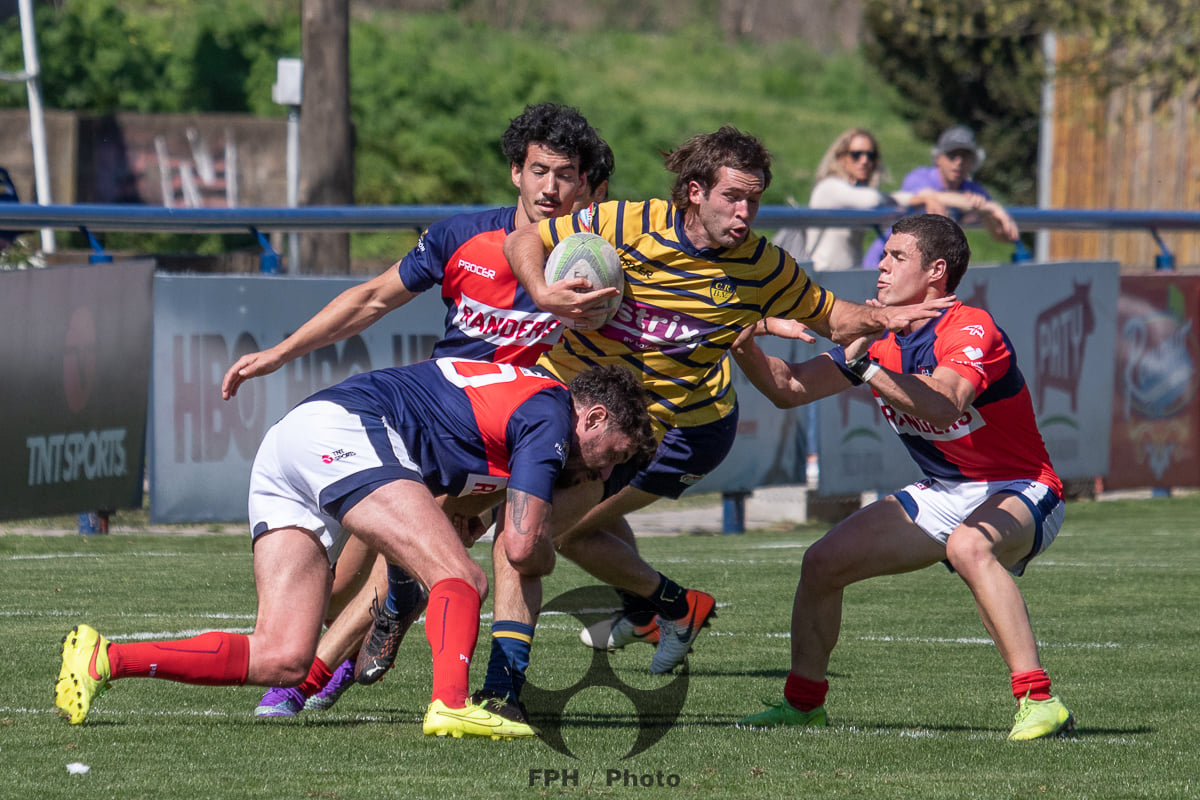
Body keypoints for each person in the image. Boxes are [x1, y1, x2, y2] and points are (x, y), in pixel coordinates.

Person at [496, 126, 955, 703]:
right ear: (693, 191)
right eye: (732, 198)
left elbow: (833, 319)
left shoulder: (764, 267)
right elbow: (524, 241)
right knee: (538, 523)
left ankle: (639, 622)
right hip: (569, 404)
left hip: (666, 430)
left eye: (754, 201)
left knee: (544, 532)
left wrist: (880, 317)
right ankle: (653, 610)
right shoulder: (624, 224)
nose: (744, 213)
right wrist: (542, 290)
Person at [220, 102, 607, 717]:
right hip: (432, 425)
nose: (551, 187)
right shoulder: (462, 236)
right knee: (341, 576)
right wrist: (282, 352)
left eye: (565, 174)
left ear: (587, 184)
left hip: (520, 434)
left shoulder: (598, 265)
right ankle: (343, 643)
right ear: (516, 172)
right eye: (539, 170)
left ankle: (483, 689)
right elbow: (373, 299)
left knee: (507, 543)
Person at [54, 358, 653, 739]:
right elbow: (522, 549)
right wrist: (552, 543)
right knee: (462, 580)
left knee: (282, 658)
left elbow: (454, 469)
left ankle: (104, 659)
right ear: (593, 417)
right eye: (615, 453)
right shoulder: (550, 414)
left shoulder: (523, 409)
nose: (607, 470)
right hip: (347, 427)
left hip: (291, 442)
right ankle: (450, 704)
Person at [732, 214, 1074, 741]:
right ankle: (802, 706)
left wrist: (866, 365)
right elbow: (789, 389)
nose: (881, 266)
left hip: (1023, 485)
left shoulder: (970, 326)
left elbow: (943, 404)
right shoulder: (877, 331)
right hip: (944, 491)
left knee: (968, 547)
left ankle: (1039, 700)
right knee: (822, 563)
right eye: (882, 255)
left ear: (936, 271)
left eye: (896, 257)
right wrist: (743, 344)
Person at [862, 125, 1019, 268]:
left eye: (965, 156)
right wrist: (989, 207)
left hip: (921, 268)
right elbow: (929, 195)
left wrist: (988, 213)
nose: (958, 162)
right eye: (952, 155)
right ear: (938, 158)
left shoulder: (974, 190)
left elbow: (1003, 236)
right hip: (884, 261)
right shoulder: (919, 176)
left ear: (973, 161)